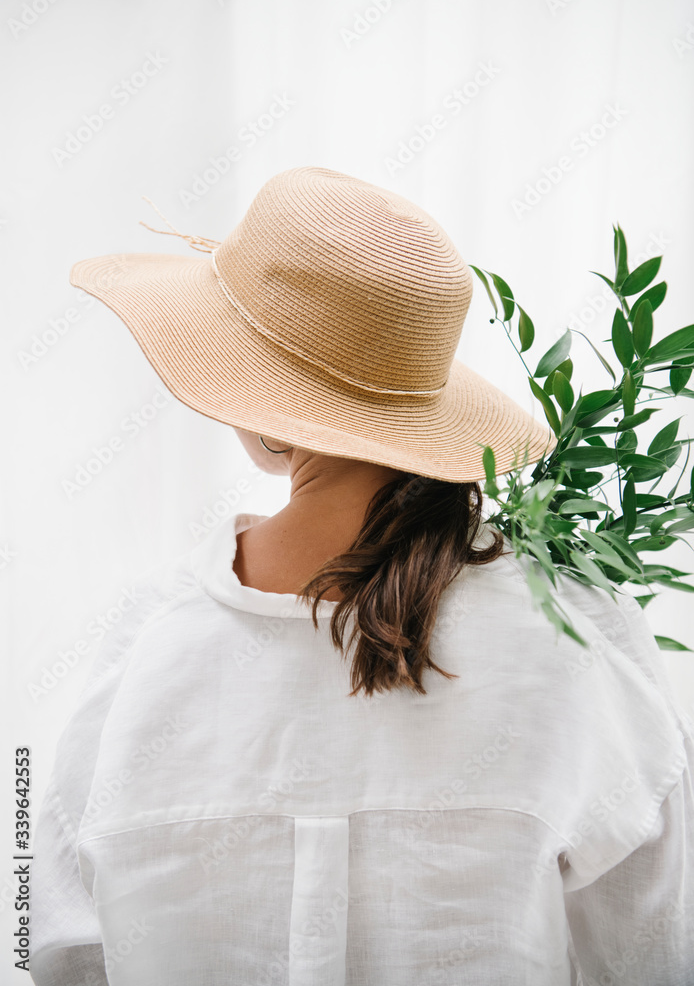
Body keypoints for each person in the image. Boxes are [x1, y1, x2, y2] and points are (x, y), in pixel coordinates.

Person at [29, 166, 693, 985]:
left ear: (256, 400)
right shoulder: (578, 637)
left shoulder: (144, 652)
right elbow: (656, 954)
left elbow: (62, 956)